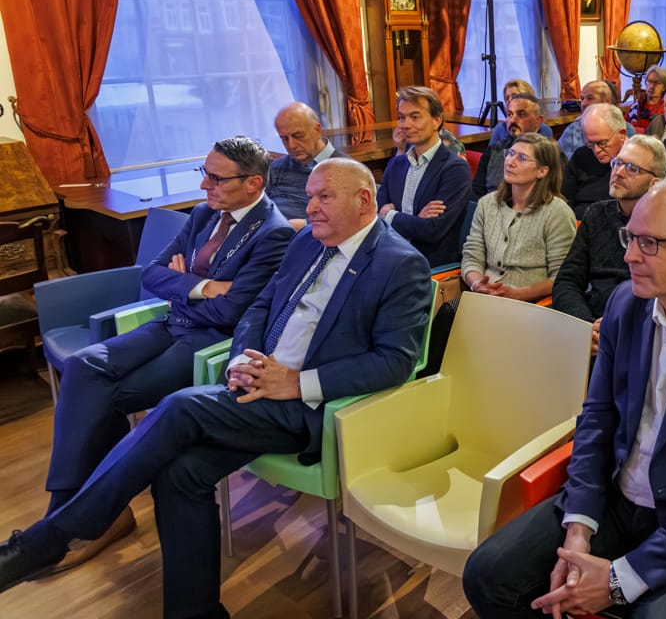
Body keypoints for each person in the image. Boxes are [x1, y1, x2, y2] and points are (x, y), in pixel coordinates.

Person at [0, 158, 433, 618]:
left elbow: (396, 362)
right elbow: (259, 308)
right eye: (310, 195)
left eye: (324, 196)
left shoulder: (400, 265)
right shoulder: (307, 239)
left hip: (313, 409)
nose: (311, 207)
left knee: (179, 407)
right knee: (180, 474)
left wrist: (296, 382)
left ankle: (48, 539)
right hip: (257, 385)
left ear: (364, 200)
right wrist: (241, 359)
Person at [462, 176, 666, 619]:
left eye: (650, 243)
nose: (629, 255)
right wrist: (579, 524)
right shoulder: (625, 304)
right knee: (487, 575)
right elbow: (597, 418)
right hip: (616, 498)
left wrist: (620, 580)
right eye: (630, 237)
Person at [40, 136, 295, 565]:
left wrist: (190, 286)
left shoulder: (272, 233)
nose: (204, 186)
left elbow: (232, 309)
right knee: (84, 366)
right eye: (204, 173)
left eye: (216, 178)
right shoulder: (202, 215)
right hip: (172, 322)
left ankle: (77, 521)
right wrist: (200, 286)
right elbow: (152, 272)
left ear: (253, 183)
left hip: (209, 340)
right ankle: (67, 508)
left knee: (112, 396)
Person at [553, 135, 666, 339]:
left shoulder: (665, 228)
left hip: (640, 331)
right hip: (590, 325)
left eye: (632, 168)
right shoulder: (596, 213)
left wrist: (611, 330)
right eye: (618, 163)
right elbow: (567, 281)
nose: (619, 172)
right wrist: (585, 328)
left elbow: (663, 297)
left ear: (654, 183)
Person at [462, 133, 577, 302]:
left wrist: (518, 294)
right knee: (448, 313)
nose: (510, 161)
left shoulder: (557, 213)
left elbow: (561, 276)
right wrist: (477, 284)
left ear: (542, 171)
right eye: (510, 153)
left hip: (530, 305)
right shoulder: (487, 203)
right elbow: (472, 256)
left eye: (522, 158)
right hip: (483, 297)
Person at [376, 86, 473, 267]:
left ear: (437, 120)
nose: (405, 124)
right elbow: (375, 216)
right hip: (390, 257)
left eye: (415, 117)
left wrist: (389, 214)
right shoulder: (396, 164)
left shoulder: (455, 169)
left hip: (428, 265)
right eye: (401, 117)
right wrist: (414, 220)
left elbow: (432, 231)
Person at [266, 102, 347, 228]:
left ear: (317, 131)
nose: (291, 145)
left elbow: (350, 217)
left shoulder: (346, 169)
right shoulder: (276, 168)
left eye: (298, 136)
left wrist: (305, 225)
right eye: (284, 139)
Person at [474, 93, 547, 197]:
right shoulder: (493, 151)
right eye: (509, 114)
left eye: (521, 114)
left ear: (538, 121)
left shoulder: (549, 155)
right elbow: (476, 192)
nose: (513, 120)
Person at [564, 104, 629, 220]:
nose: (596, 150)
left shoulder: (635, 162)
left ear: (622, 135)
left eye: (602, 143)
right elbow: (565, 197)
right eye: (590, 143)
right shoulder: (581, 155)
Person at [559, 80, 636, 159]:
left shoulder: (625, 129)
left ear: (607, 101)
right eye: (582, 99)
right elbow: (559, 160)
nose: (583, 103)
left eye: (590, 98)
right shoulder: (574, 128)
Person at [488, 79, 555, 144]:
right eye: (507, 98)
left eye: (515, 96)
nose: (510, 100)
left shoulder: (544, 130)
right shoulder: (500, 129)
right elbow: (490, 154)